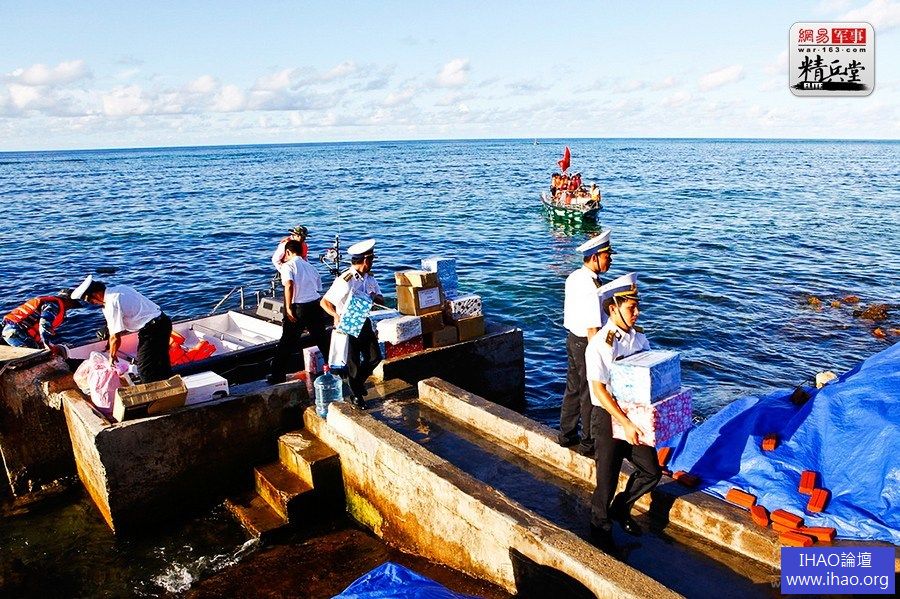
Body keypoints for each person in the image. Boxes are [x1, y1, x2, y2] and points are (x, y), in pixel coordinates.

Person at [586, 272, 661, 553]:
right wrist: (625, 423)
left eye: (637, 306)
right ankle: (600, 532)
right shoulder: (601, 345)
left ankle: (622, 507)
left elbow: (648, 372)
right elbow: (599, 390)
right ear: (613, 308)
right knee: (606, 481)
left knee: (651, 471)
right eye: (631, 308)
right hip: (608, 417)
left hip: (634, 415)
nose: (637, 313)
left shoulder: (638, 338)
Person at [557, 230, 614, 457]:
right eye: (607, 256)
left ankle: (566, 434)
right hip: (586, 342)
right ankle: (588, 443)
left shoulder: (574, 277)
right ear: (595, 256)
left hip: (573, 339)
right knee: (591, 393)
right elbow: (593, 327)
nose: (610, 260)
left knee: (573, 389)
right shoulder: (591, 287)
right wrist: (599, 357)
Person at [72, 275, 173, 383]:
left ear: (95, 295)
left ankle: (155, 391)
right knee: (161, 362)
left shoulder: (111, 303)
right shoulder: (120, 289)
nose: (94, 304)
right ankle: (172, 386)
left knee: (144, 369)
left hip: (153, 330)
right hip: (163, 322)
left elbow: (115, 337)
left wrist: (112, 356)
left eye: (91, 301)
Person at [320, 239, 383, 409]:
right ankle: (357, 396)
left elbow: (381, 298)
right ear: (365, 260)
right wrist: (335, 315)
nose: (372, 263)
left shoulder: (370, 278)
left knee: (375, 357)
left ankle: (357, 384)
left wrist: (374, 297)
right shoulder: (345, 280)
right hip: (348, 323)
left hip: (364, 321)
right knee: (352, 362)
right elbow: (325, 302)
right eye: (371, 260)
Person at [268, 239, 329, 384]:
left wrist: (289, 307)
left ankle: (277, 375)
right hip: (315, 305)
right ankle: (336, 368)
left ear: (288, 252)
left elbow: (289, 285)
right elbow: (318, 287)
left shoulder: (288, 266)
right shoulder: (311, 267)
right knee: (322, 340)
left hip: (299, 307)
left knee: (287, 342)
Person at [2, 289, 81, 353]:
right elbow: (44, 324)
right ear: (67, 301)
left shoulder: (49, 303)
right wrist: (47, 344)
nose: (69, 308)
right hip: (16, 333)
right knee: (36, 356)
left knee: (38, 350)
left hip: (10, 332)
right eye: (72, 304)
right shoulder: (53, 305)